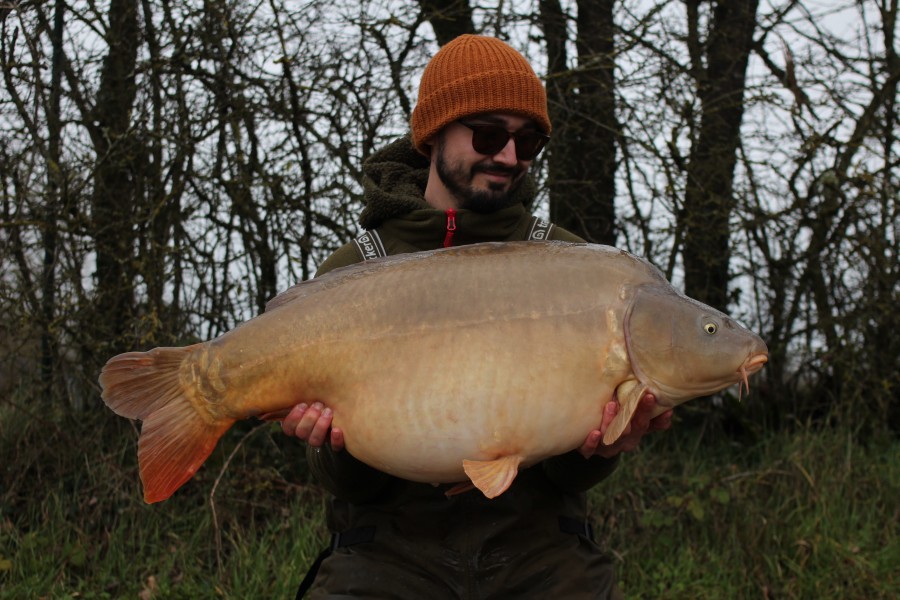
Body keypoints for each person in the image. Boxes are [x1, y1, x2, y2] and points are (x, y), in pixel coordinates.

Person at [282, 34, 672, 599]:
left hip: (540, 549)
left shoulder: (567, 262)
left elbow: (567, 476)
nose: (510, 157)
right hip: (388, 549)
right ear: (435, 132)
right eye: (489, 134)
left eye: (528, 140)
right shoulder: (356, 270)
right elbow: (349, 488)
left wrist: (601, 450)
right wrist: (330, 445)